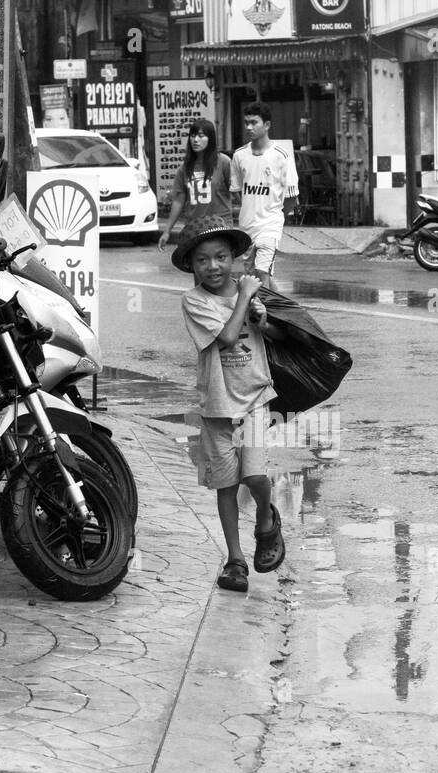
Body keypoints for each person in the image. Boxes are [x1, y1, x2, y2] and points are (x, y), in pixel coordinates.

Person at [172, 216, 288, 592]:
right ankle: (235, 559)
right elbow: (226, 336)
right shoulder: (194, 301)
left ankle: (266, 520)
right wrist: (244, 300)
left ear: (234, 258)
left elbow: (274, 334)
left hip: (254, 397)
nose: (213, 267)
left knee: (254, 477)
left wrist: (264, 318)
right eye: (203, 260)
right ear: (192, 266)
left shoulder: (249, 290)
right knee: (225, 486)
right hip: (217, 405)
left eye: (221, 257)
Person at [230, 102, 298, 292]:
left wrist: (276, 214)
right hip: (247, 226)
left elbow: (291, 197)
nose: (248, 127)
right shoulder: (239, 156)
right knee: (252, 277)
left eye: (254, 122)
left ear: (267, 125)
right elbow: (236, 190)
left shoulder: (281, 156)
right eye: (246, 123)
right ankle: (282, 308)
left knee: (262, 272)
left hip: (270, 225)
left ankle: (264, 318)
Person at [158, 119, 234, 251]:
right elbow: (178, 201)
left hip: (221, 225)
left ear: (210, 138)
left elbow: (237, 191)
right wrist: (167, 231)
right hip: (195, 227)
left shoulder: (223, 162)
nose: (196, 140)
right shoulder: (185, 168)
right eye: (192, 136)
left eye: (201, 135)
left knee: (219, 266)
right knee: (199, 267)